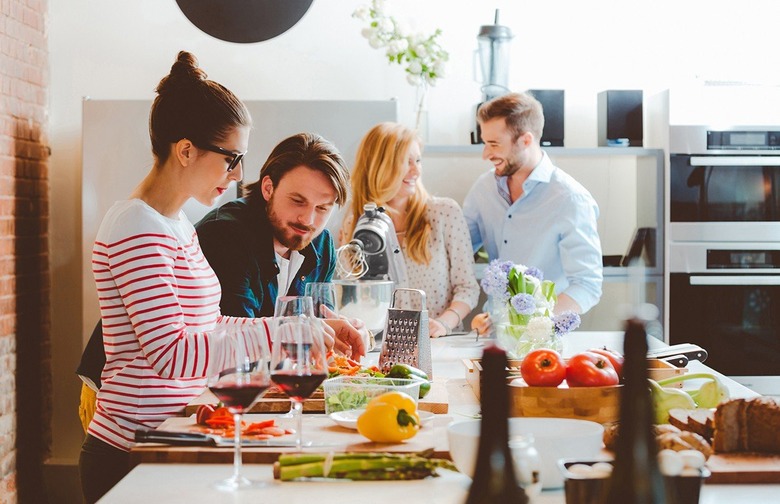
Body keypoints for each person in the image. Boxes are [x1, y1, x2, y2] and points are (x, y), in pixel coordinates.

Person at [78, 51, 363, 503]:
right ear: (186, 150)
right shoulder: (135, 225)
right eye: (231, 158)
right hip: (131, 452)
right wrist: (289, 332)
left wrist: (311, 329)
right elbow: (172, 355)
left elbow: (212, 326)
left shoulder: (176, 224)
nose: (238, 175)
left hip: (175, 436)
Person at [462, 91, 603, 316]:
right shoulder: (484, 189)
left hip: (544, 339)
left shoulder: (571, 199)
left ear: (526, 140)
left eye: (494, 144)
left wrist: (532, 324)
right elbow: (457, 251)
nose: (485, 154)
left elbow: (587, 285)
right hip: (492, 334)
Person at [341, 122, 480, 337]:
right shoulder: (356, 226)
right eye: (406, 162)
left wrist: (444, 323)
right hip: (382, 348)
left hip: (438, 346)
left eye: (418, 160)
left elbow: (467, 288)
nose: (416, 170)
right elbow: (351, 298)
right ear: (380, 166)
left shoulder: (444, 213)